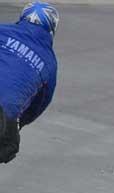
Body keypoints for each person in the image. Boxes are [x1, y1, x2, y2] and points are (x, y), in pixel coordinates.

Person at [0, 2, 59, 164]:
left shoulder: (3, 30)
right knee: (8, 146)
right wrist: (16, 123)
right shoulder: (49, 62)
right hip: (4, 114)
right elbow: (39, 104)